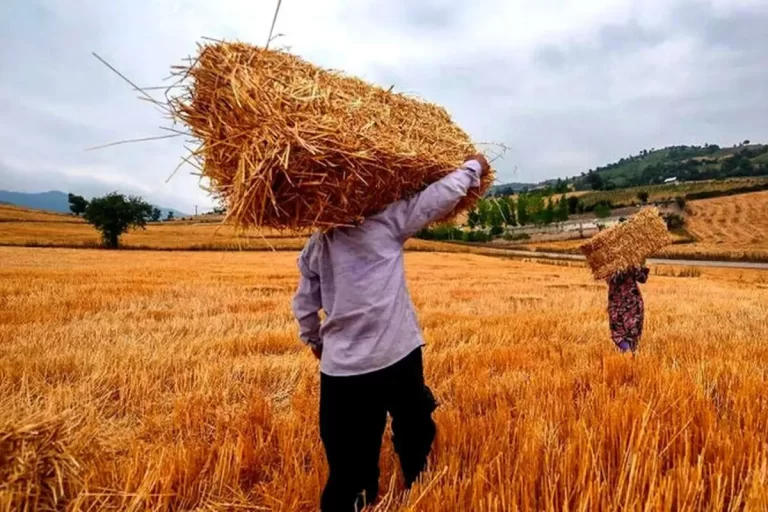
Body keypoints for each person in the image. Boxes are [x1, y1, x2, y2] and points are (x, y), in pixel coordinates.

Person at [292, 154, 490, 511]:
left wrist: (315, 340)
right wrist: (473, 167)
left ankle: (357, 499)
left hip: (343, 370)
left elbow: (305, 305)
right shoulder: (387, 223)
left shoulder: (317, 245)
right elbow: (437, 197)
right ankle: (419, 488)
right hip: (397, 355)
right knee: (414, 428)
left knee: (348, 457)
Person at [607, 265, 650, 353]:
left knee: (620, 332)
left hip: (619, 301)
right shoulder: (631, 261)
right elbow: (642, 278)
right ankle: (629, 353)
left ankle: (628, 353)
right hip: (631, 301)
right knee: (631, 332)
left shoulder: (608, 262)